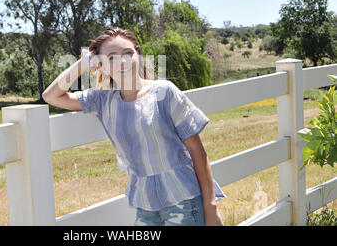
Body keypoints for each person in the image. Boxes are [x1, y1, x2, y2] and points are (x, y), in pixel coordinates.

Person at [42, 26, 226, 226]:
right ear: (101, 65)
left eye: (128, 53)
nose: (122, 61)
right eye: (111, 57)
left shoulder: (164, 92)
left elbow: (198, 152)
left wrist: (211, 207)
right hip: (145, 206)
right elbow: (51, 96)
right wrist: (84, 63)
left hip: (183, 200)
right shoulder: (103, 101)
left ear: (138, 55)